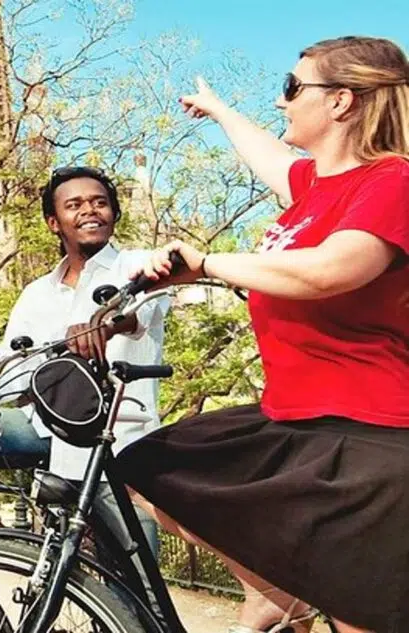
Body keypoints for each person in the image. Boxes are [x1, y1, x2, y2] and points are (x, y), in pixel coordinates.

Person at [116, 36, 409, 633]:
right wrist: (221, 112)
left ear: (342, 102)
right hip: (296, 419)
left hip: (366, 436)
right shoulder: (315, 189)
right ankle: (278, 593)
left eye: (292, 88)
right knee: (147, 466)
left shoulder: (393, 182)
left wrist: (208, 264)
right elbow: (269, 159)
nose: (282, 103)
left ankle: (283, 595)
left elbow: (329, 270)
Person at [0, 166, 170, 560]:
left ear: (114, 213)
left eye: (99, 202)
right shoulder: (36, 293)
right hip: (45, 433)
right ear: (53, 222)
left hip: (116, 444)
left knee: (138, 588)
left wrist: (105, 323)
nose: (89, 211)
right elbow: (9, 367)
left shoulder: (138, 265)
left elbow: (142, 311)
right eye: (74, 205)